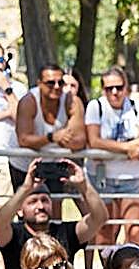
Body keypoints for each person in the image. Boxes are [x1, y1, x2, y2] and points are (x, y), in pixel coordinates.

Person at [0, 159, 107, 269]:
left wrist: (84, 186)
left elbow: (99, 218)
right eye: (33, 202)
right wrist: (25, 189)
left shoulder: (65, 232)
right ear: (20, 210)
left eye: (45, 200)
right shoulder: (14, 234)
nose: (40, 206)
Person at [84, 66, 139, 267]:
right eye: (109, 88)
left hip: (131, 178)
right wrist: (127, 148)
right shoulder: (96, 106)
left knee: (134, 229)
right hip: (103, 178)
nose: (114, 92)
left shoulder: (137, 106)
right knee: (105, 230)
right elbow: (94, 140)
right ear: (103, 89)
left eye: (119, 87)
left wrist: (121, 148)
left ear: (126, 87)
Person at [12, 63, 87, 194]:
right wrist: (52, 137)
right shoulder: (28, 102)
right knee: (27, 206)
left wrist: (57, 140)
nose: (57, 87)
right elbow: (23, 140)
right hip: (24, 163)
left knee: (55, 206)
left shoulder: (73, 102)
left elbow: (79, 141)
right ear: (39, 84)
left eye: (61, 82)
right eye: (50, 83)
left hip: (54, 160)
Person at [0, 41, 24, 247]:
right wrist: (5, 113)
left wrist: (6, 88)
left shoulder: (16, 87)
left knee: (4, 220)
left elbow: (21, 115)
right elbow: (11, 113)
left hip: (6, 159)